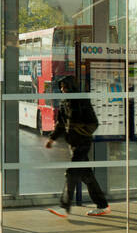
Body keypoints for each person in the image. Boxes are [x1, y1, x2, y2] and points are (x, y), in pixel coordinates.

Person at [45, 74, 111, 217]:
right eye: (61, 87)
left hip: (82, 142)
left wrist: (79, 131)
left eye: (65, 87)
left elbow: (93, 123)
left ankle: (64, 206)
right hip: (73, 144)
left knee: (71, 172)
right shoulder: (64, 103)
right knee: (87, 176)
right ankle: (102, 205)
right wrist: (52, 139)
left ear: (71, 86)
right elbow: (61, 124)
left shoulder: (82, 101)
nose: (63, 90)